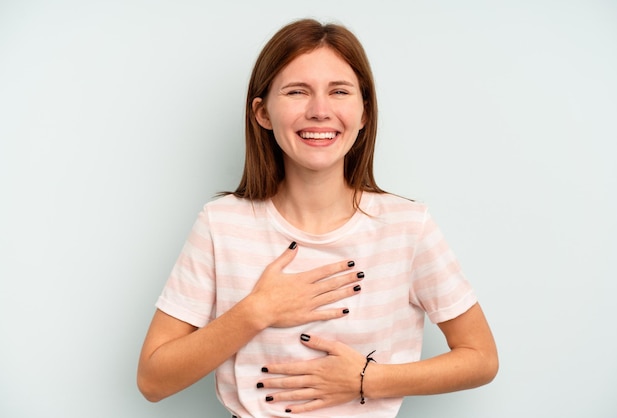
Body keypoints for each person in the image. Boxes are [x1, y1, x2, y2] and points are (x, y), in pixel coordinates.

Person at [137, 18, 498, 417]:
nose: (320, 111)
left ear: (364, 113)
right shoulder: (220, 224)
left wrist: (364, 379)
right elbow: (153, 380)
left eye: (339, 92)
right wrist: (258, 310)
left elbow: (481, 357)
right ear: (263, 113)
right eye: (297, 92)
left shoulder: (407, 227)